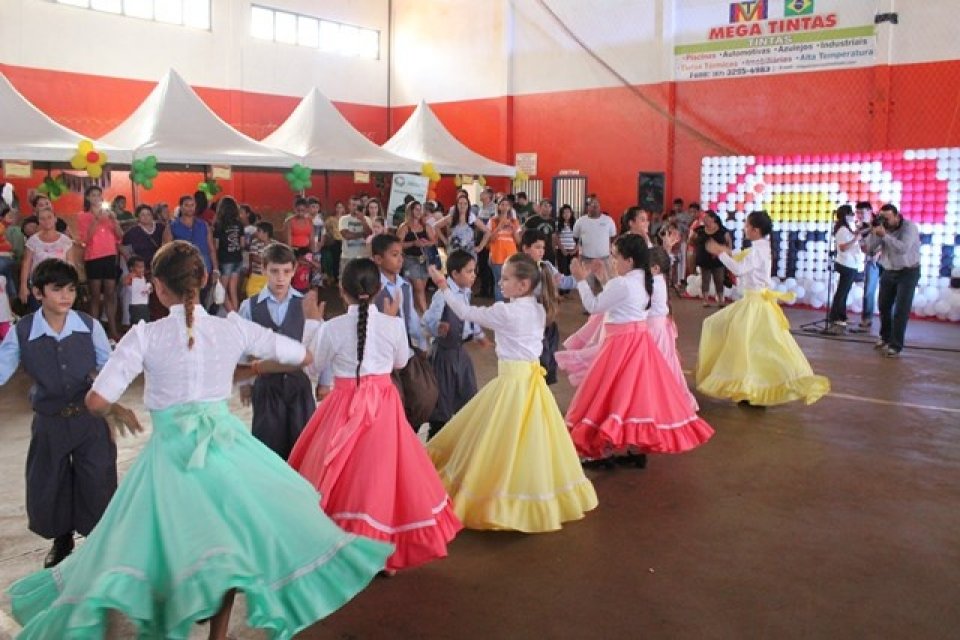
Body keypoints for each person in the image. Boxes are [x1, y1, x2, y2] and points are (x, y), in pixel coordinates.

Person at [7, 242, 392, 640]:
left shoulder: (145, 336)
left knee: (163, 550)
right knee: (225, 550)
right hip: (227, 454)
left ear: (157, 287)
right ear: (206, 280)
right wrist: (260, 361)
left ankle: (176, 622)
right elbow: (302, 357)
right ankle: (217, 635)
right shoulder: (231, 328)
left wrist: (111, 410)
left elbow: (97, 399)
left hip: (170, 462)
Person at [288, 258, 461, 572]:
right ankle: (383, 554)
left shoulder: (332, 327)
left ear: (342, 291)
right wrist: (391, 320)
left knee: (341, 475)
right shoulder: (392, 325)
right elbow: (399, 363)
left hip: (342, 404)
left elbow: (311, 367)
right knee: (381, 476)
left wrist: (312, 323)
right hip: (383, 405)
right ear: (379, 288)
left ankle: (339, 546)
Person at [426, 254, 598, 532]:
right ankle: (530, 494)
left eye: (506, 278)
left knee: (500, 440)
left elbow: (466, 312)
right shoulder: (539, 309)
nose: (500, 282)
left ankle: (500, 500)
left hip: (512, 385)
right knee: (532, 441)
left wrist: (443, 285)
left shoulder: (507, 312)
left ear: (523, 285)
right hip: (532, 385)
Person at [0, 259, 125, 569]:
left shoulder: (89, 325)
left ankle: (97, 543)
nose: (66, 296)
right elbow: (2, 369)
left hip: (88, 419)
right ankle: (62, 538)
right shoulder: (22, 331)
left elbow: (110, 367)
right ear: (38, 292)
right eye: (57, 289)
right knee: (49, 481)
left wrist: (108, 404)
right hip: (49, 421)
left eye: (71, 289)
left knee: (97, 478)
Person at [563, 235, 713, 467]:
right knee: (633, 396)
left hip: (620, 344)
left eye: (616, 256)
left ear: (629, 260)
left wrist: (582, 280)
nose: (613, 261)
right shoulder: (645, 278)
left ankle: (603, 450)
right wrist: (603, 276)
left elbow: (594, 305)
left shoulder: (623, 283)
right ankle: (634, 448)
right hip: (640, 343)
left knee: (608, 393)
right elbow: (619, 299)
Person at [696, 210, 831, 405]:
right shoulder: (760, 247)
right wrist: (725, 251)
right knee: (751, 345)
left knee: (748, 344)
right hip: (754, 302)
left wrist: (720, 254)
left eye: (747, 226)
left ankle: (752, 384)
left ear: (755, 230)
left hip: (755, 305)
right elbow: (743, 257)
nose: (745, 228)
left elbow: (740, 269)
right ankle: (749, 385)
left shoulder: (759, 250)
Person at [238, 243, 319, 459]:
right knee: (268, 447)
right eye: (274, 271)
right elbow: (242, 347)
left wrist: (324, 380)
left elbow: (318, 342)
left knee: (302, 446)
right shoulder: (249, 306)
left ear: (294, 270)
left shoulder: (304, 304)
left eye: (286, 271)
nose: (280, 278)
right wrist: (244, 383)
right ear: (264, 270)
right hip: (266, 384)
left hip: (298, 385)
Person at [423, 250, 487, 439]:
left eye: (474, 271)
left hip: (459, 352)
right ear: (455, 274)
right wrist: (437, 327)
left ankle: (458, 445)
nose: (473, 275)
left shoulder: (465, 291)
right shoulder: (442, 295)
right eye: (469, 271)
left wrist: (478, 334)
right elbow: (428, 319)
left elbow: (468, 316)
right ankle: (435, 444)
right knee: (442, 404)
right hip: (443, 354)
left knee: (467, 397)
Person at [862, 203, 921, 357]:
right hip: (888, 270)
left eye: (887, 218)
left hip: (908, 271)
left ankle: (896, 345)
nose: (885, 222)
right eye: (882, 218)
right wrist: (874, 232)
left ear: (897, 216)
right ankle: (885, 337)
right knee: (883, 306)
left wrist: (884, 235)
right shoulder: (882, 228)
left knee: (900, 310)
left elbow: (902, 249)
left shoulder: (909, 228)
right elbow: (870, 249)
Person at [520, 229, 574, 385]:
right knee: (538, 359)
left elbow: (563, 281)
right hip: (529, 323)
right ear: (525, 248)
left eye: (543, 248)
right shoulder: (517, 268)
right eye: (537, 247)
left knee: (549, 358)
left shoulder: (546, 266)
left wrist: (580, 277)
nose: (541, 251)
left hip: (548, 320)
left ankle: (542, 394)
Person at [648, 246, 698, 412]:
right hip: (660, 327)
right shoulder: (660, 279)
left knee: (657, 365)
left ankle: (660, 400)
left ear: (655, 268)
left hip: (654, 329)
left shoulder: (654, 283)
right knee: (665, 364)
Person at [76, 186, 122, 340]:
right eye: (93, 195)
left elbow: (120, 236)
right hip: (93, 257)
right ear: (88, 198)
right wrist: (96, 220)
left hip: (109, 255)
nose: (97, 198)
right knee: (95, 296)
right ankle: (94, 332)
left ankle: (113, 330)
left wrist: (114, 220)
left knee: (110, 294)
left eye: (99, 195)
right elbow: (85, 239)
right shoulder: (83, 216)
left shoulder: (109, 216)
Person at [370, 234, 427, 351]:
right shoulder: (373, 289)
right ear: (378, 259)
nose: (400, 259)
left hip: (404, 347)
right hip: (380, 349)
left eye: (402, 254)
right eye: (394, 255)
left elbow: (411, 317)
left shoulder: (405, 286)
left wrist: (422, 344)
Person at [163, 194, 220, 310]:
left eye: (192, 205)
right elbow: (165, 250)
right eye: (187, 205)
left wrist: (215, 269)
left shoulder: (204, 225)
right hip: (182, 269)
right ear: (181, 207)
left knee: (202, 302)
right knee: (183, 301)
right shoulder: (172, 226)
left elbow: (211, 248)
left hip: (204, 269)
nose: (190, 208)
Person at [20, 207, 76, 311]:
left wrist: (72, 286)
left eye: (49, 217)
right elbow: (26, 264)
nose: (46, 221)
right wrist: (23, 286)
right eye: (42, 218)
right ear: (39, 221)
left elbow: (70, 264)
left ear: (55, 219)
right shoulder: (32, 241)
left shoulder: (66, 241)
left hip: (60, 286)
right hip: (39, 286)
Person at [397, 200, 439, 315]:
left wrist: (426, 243)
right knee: (419, 289)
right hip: (410, 260)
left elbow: (434, 240)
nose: (419, 211)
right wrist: (413, 243)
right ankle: (426, 316)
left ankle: (415, 315)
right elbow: (398, 245)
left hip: (424, 260)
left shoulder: (425, 226)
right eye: (416, 209)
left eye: (420, 209)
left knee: (419, 289)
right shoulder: (405, 227)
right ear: (410, 211)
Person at [827, 205, 863, 334]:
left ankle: (841, 315)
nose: (853, 215)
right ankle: (835, 316)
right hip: (846, 264)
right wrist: (855, 239)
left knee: (844, 291)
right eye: (851, 213)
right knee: (842, 291)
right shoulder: (842, 229)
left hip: (851, 263)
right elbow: (843, 247)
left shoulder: (846, 228)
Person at [572, 194, 617, 291]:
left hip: (605, 259)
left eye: (597, 203)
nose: (595, 206)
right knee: (588, 288)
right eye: (592, 204)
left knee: (607, 287)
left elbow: (613, 237)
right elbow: (575, 237)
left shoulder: (608, 220)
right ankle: (589, 306)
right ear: (587, 207)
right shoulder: (580, 221)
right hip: (586, 260)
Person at [851, 201, 880, 333]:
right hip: (871, 260)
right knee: (868, 290)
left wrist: (879, 253)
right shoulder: (860, 227)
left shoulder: (880, 222)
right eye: (858, 213)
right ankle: (866, 319)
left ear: (870, 211)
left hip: (887, 260)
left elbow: (888, 239)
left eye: (863, 212)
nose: (860, 215)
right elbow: (863, 248)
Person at [434, 193, 490, 259]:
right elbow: (436, 226)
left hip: (469, 254)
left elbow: (487, 232)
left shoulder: (472, 218)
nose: (462, 206)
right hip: (454, 253)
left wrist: (480, 247)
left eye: (465, 203)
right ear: (457, 205)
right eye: (460, 203)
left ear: (468, 205)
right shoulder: (451, 218)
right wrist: (445, 241)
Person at [694, 210, 731, 307]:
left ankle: (721, 300)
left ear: (713, 219)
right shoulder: (700, 230)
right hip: (704, 259)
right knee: (705, 280)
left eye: (706, 217)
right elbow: (692, 241)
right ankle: (705, 300)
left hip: (718, 260)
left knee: (719, 280)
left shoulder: (723, 231)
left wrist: (725, 253)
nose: (704, 219)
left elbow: (728, 244)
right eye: (703, 218)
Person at [213, 196, 244, 313]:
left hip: (225, 259)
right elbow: (242, 243)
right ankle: (236, 312)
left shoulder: (219, 225)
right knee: (233, 290)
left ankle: (231, 314)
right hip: (238, 258)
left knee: (222, 289)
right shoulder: (239, 224)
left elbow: (216, 245)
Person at [487, 196, 520, 302]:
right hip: (497, 256)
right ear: (498, 207)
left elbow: (519, 241)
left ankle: (512, 305)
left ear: (510, 207)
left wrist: (514, 230)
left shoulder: (514, 221)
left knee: (513, 280)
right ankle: (499, 306)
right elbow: (490, 239)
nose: (505, 207)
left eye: (507, 205)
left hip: (512, 257)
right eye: (502, 205)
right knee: (499, 282)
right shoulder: (492, 221)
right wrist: (499, 227)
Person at [339, 199, 373, 276]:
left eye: (358, 205)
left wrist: (363, 220)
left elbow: (369, 235)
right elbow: (346, 235)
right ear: (349, 206)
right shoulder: (344, 219)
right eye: (353, 205)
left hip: (363, 256)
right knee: (344, 281)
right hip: (347, 256)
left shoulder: (367, 219)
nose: (356, 207)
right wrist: (362, 234)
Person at [523, 199, 558, 264]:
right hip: (535, 252)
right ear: (540, 207)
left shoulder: (553, 222)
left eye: (549, 206)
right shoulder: (531, 220)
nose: (547, 208)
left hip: (549, 252)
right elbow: (524, 234)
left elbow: (554, 237)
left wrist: (554, 251)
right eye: (545, 206)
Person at [123, 255, 152, 326]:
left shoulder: (143, 278)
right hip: (135, 307)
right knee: (136, 325)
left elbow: (149, 290)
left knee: (145, 324)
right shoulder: (131, 277)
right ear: (131, 268)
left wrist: (149, 288)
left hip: (144, 306)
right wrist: (131, 276)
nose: (142, 269)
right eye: (139, 267)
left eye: (143, 267)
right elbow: (125, 282)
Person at [556, 204, 578, 277]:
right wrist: (562, 249)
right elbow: (557, 238)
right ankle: (563, 288)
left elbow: (580, 238)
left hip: (573, 251)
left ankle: (571, 287)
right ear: (561, 214)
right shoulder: (558, 224)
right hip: (562, 251)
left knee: (572, 271)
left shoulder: (576, 224)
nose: (566, 214)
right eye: (564, 212)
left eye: (568, 212)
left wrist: (575, 250)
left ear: (571, 213)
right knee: (563, 271)